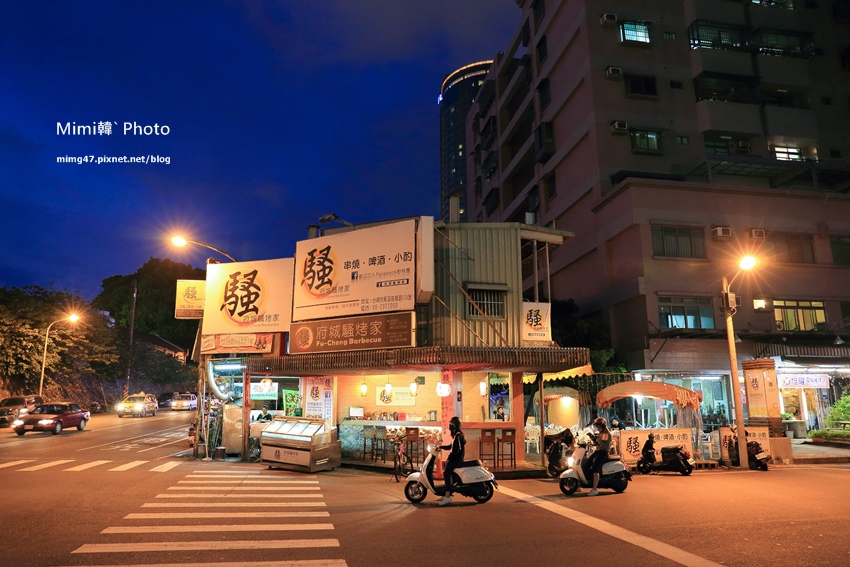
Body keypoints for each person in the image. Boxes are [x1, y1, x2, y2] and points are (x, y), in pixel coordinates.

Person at [439, 416, 466, 505]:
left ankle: (447, 495)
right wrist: (440, 447)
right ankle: (448, 492)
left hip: (457, 460)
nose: (449, 426)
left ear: (454, 425)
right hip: (456, 459)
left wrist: (448, 459)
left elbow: (456, 450)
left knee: (446, 473)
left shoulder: (458, 436)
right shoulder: (457, 435)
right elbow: (451, 446)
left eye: (451, 424)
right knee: (448, 474)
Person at [587, 417, 611, 496]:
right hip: (598, 451)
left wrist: (595, 439)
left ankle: (594, 489)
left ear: (603, 425)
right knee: (587, 463)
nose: (598, 427)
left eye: (599, 426)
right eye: (597, 426)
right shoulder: (601, 432)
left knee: (595, 468)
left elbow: (603, 445)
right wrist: (593, 439)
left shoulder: (606, 433)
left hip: (603, 453)